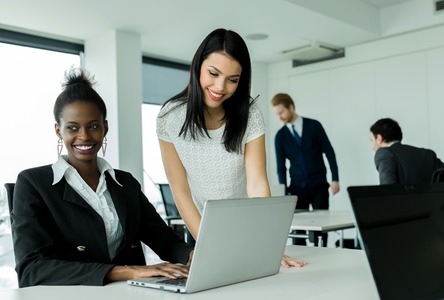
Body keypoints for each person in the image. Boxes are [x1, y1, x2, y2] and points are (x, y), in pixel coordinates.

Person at [11, 68, 194, 287]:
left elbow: (165, 240)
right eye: (72, 128)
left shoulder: (125, 183)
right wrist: (128, 271)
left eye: (93, 126)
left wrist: (192, 256)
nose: (84, 136)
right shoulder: (33, 183)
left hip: (126, 295)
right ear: (58, 131)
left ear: (105, 128)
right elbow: (31, 269)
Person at [157, 28, 305, 268]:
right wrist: (208, 244)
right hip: (204, 230)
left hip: (249, 227)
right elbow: (181, 192)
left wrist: (268, 245)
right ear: (198, 67)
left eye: (232, 80)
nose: (220, 86)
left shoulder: (250, 114)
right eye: (213, 73)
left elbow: (257, 184)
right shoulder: (170, 117)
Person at [271, 93, 339, 247]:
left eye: (281, 112)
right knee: (298, 230)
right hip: (296, 189)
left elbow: (329, 152)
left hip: (319, 186)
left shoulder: (314, 126)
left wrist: (335, 178)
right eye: (276, 114)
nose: (279, 117)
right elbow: (280, 167)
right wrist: (284, 192)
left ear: (291, 107)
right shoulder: (280, 137)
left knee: (322, 227)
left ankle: (323, 254)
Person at [370, 117, 444, 184]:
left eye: (372, 140)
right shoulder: (427, 154)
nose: (372, 147)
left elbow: (387, 192)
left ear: (379, 138)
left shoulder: (384, 153)